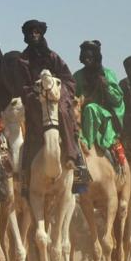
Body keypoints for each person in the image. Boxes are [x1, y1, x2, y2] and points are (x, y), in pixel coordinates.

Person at [17, 20, 91, 190]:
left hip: (58, 96)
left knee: (63, 114)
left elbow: (68, 79)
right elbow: (23, 86)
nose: (34, 35)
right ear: (26, 36)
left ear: (41, 34)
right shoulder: (23, 61)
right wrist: (37, 95)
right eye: (31, 32)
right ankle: (25, 177)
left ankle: (75, 159)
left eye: (37, 32)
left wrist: (59, 93)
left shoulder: (52, 56)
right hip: (36, 101)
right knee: (28, 133)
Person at [74, 40, 125, 165]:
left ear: (96, 57)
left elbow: (118, 99)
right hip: (80, 114)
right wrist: (82, 100)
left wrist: (107, 86)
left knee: (91, 109)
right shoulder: (78, 76)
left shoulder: (107, 74)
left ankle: (86, 144)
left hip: (103, 114)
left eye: (90, 57)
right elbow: (72, 98)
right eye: (85, 57)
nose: (87, 59)